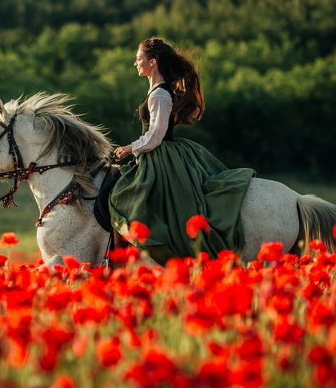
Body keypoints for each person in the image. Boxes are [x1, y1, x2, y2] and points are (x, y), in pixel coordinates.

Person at [107, 37, 255, 263]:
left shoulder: (159, 95)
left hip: (161, 157)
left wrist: (128, 148)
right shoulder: (156, 91)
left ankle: (139, 253)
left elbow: (155, 136)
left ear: (152, 62)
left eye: (138, 59)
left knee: (125, 196)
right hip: (155, 155)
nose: (135, 63)